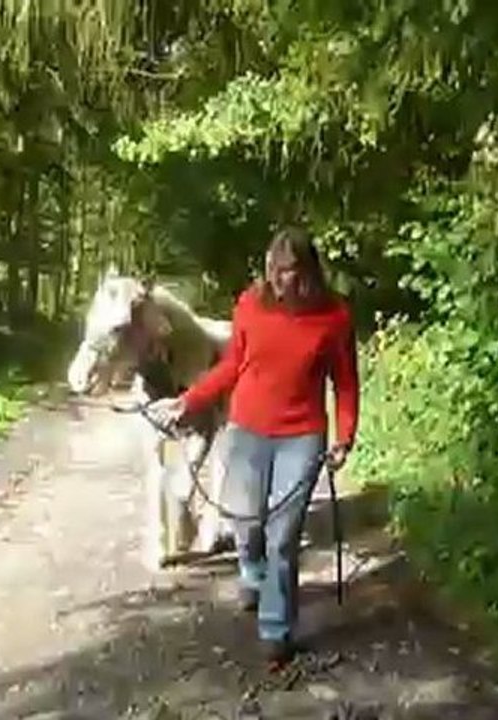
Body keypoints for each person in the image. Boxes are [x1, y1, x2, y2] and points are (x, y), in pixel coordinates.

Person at [149, 225, 359, 666]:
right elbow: (232, 366)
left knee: (283, 535)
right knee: (247, 522)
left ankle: (276, 626)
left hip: (301, 436)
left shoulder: (335, 317)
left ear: (308, 272)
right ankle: (251, 570)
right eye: (273, 271)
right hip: (246, 428)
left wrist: (344, 437)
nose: (280, 281)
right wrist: (188, 402)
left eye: (289, 272)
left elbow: (344, 382)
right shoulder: (250, 304)